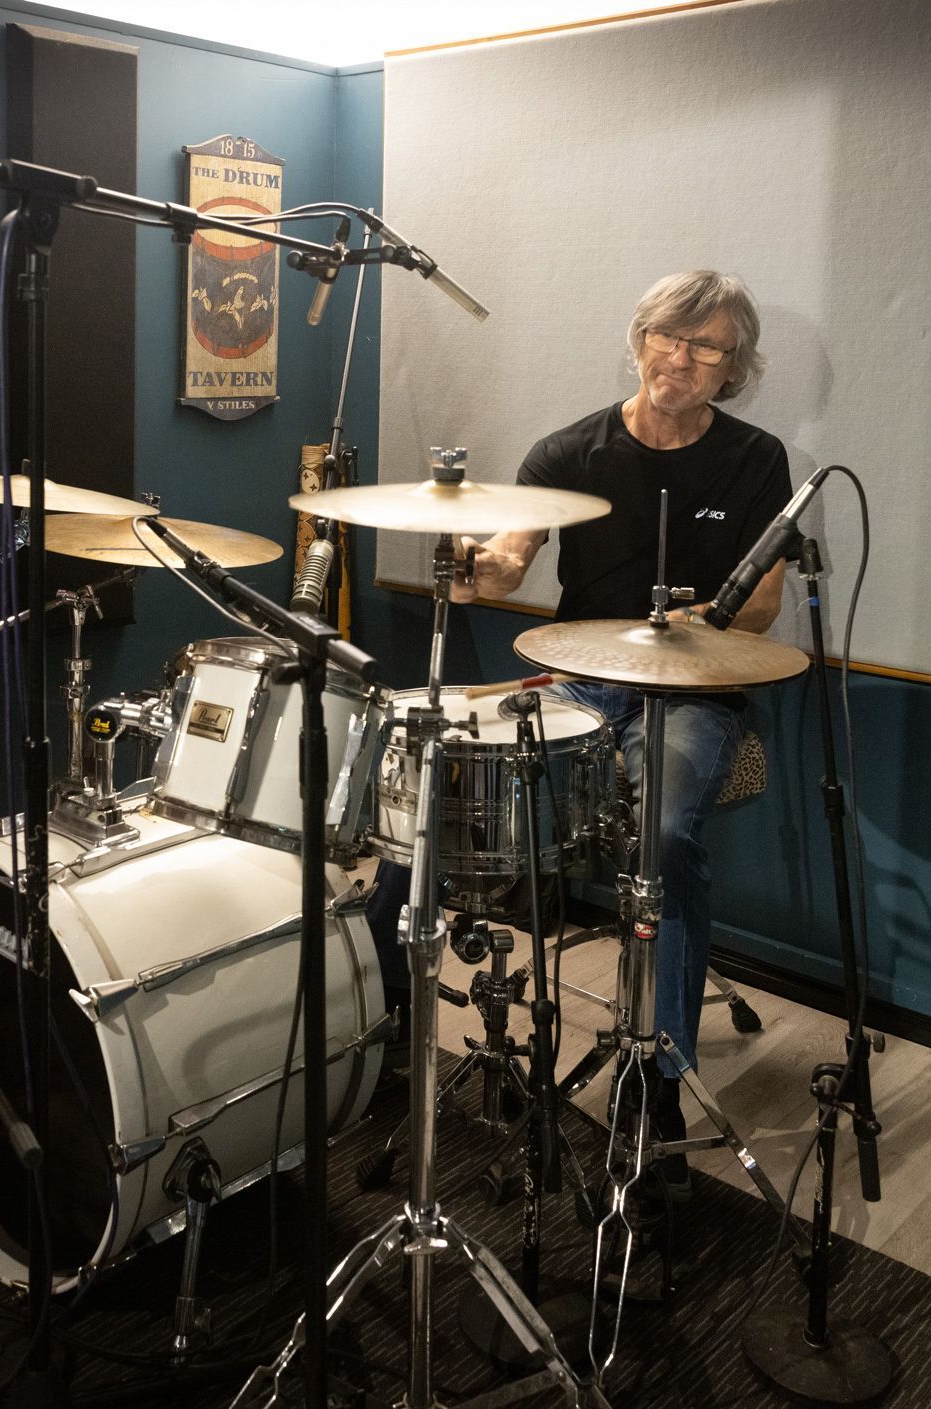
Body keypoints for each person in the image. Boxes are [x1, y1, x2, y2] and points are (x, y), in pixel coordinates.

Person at [367, 270, 791, 1172]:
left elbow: (763, 607)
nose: (680, 358)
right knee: (428, 772)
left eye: (707, 346)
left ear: (732, 368)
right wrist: (473, 564)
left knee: (665, 833)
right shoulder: (570, 452)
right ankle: (381, 1010)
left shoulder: (757, 461)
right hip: (580, 683)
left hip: (694, 690)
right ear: (639, 340)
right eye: (668, 338)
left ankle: (659, 1074)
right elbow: (511, 564)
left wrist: (703, 619)